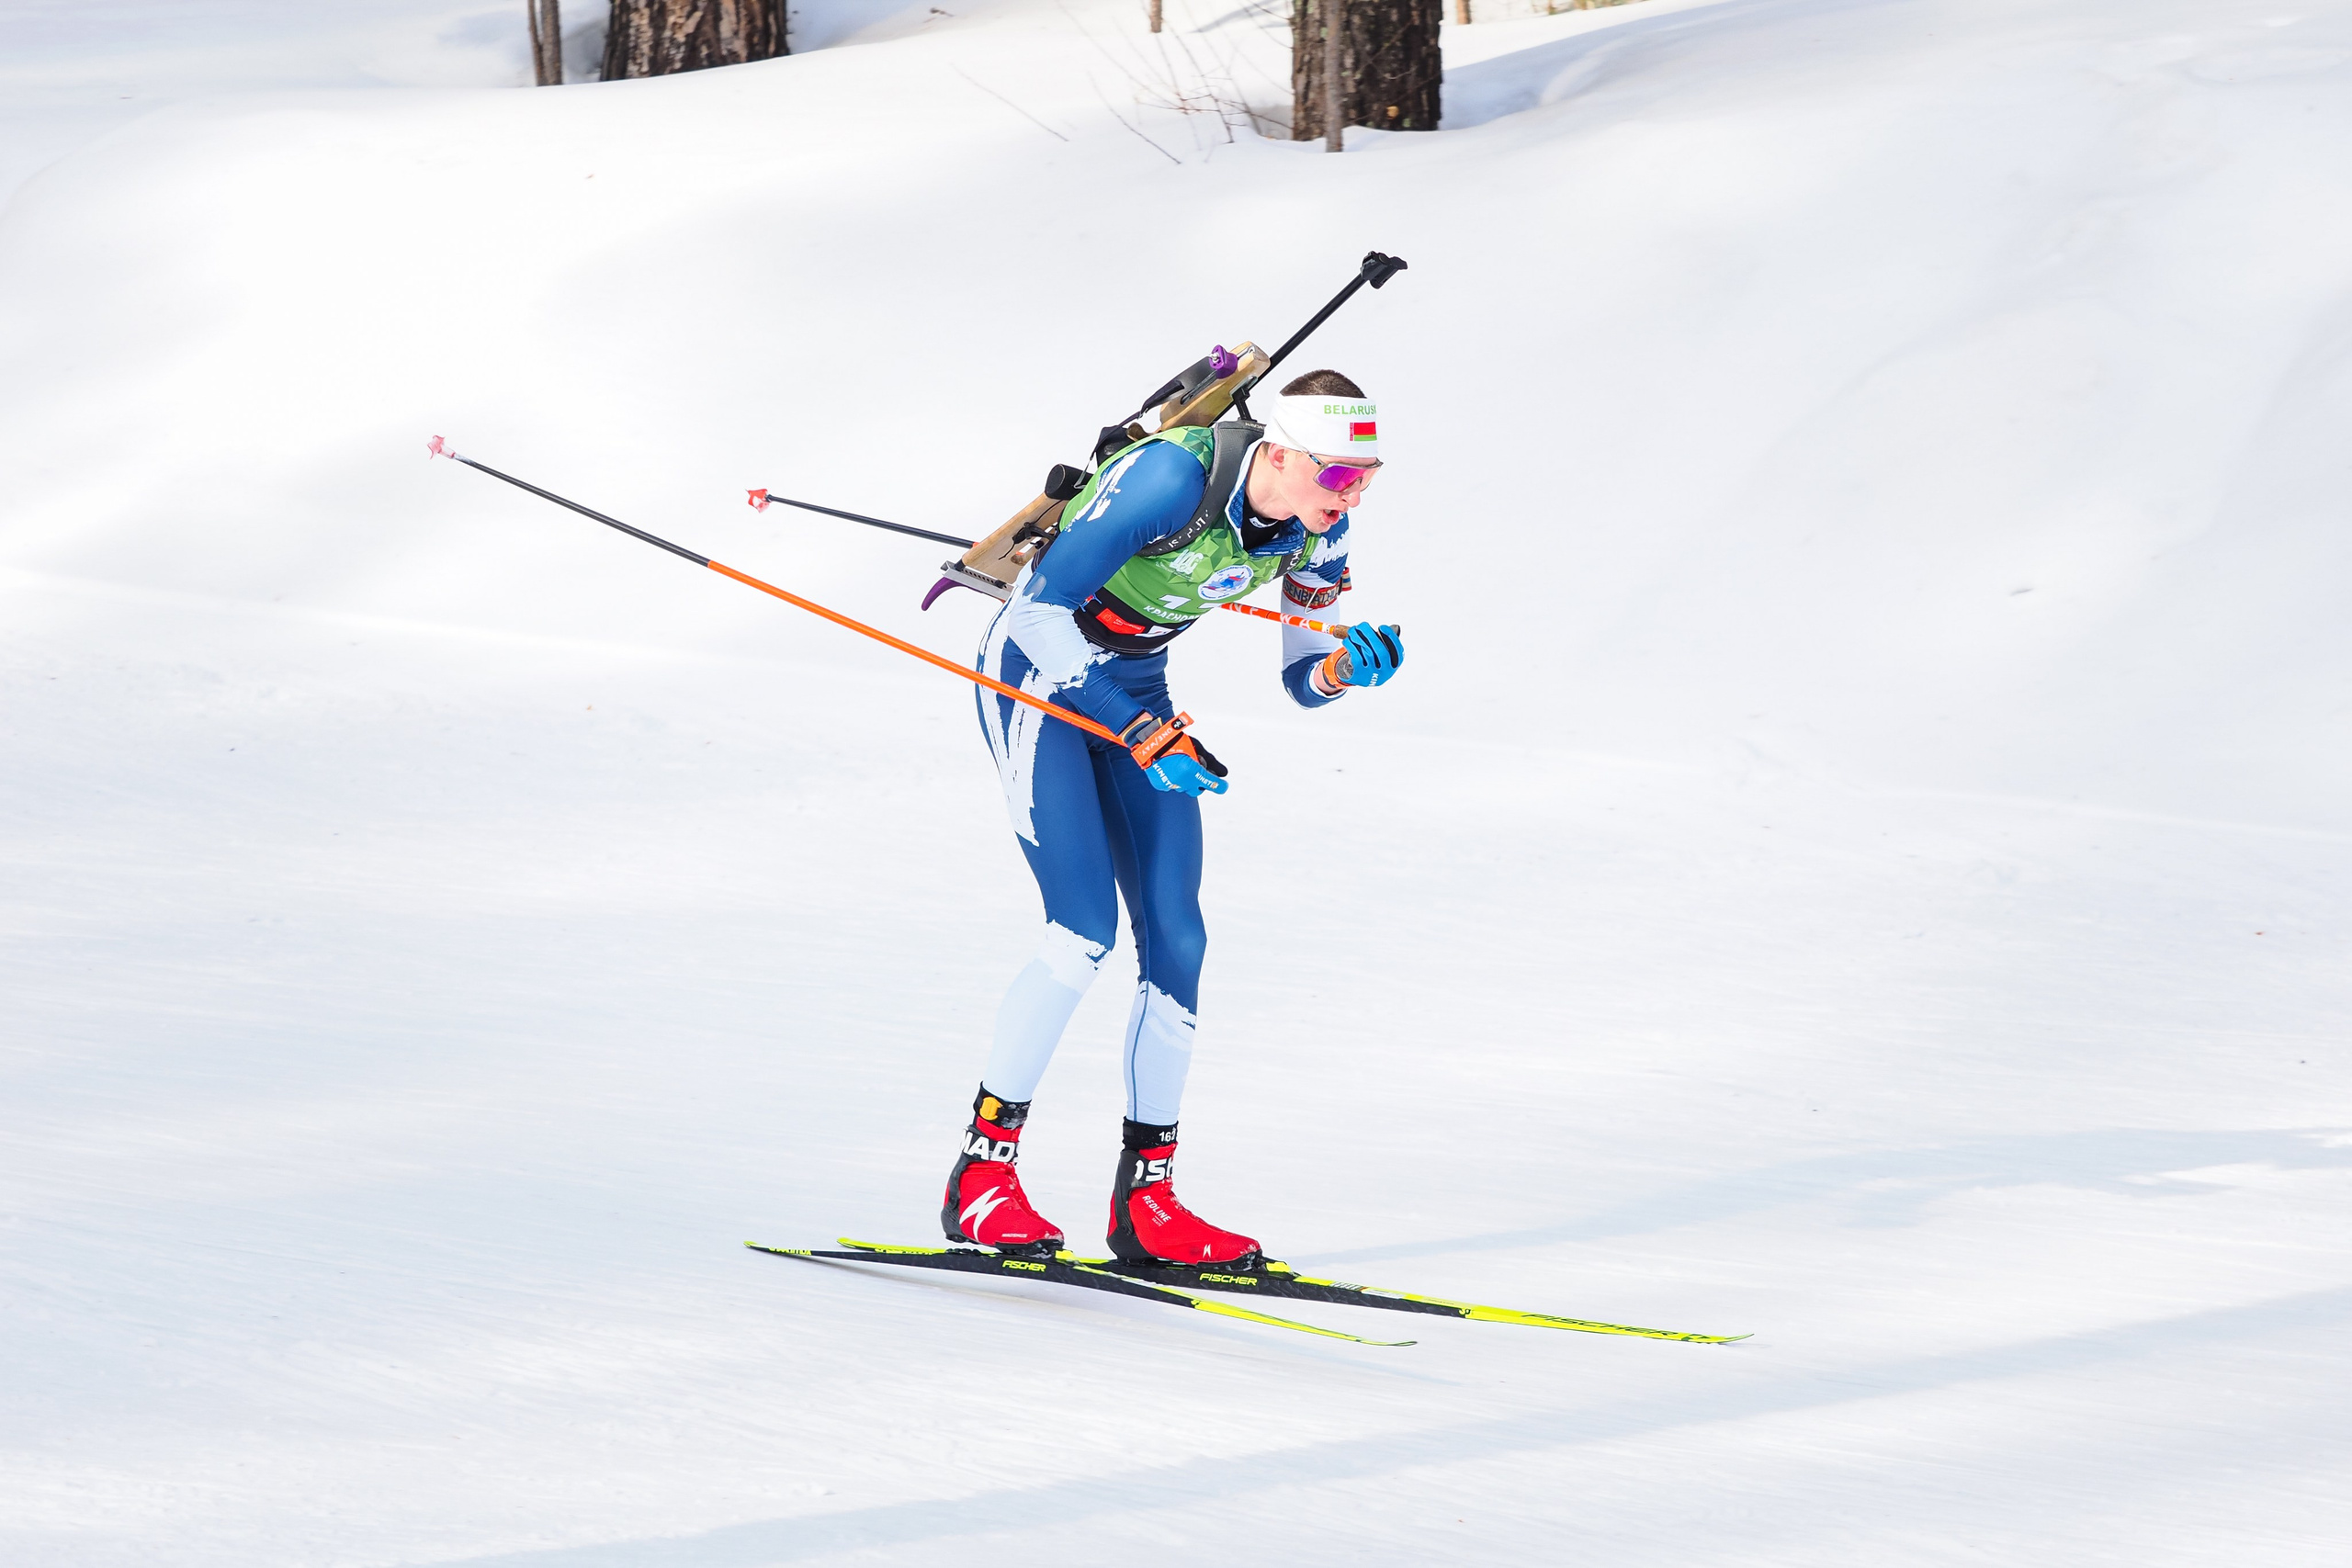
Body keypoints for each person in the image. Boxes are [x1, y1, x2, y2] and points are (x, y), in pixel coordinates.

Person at [945, 369, 1408, 1267]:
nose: (1353, 496)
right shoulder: (1171, 478)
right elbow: (1038, 613)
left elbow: (1301, 677)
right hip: (1039, 678)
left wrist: (1344, 672)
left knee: (1178, 938)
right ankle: (981, 1179)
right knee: (1080, 934)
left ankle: (1147, 1203)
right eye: (1341, 476)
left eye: (1368, 477)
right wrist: (1136, 731)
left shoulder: (1320, 532)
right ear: (1279, 451)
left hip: (1138, 692)